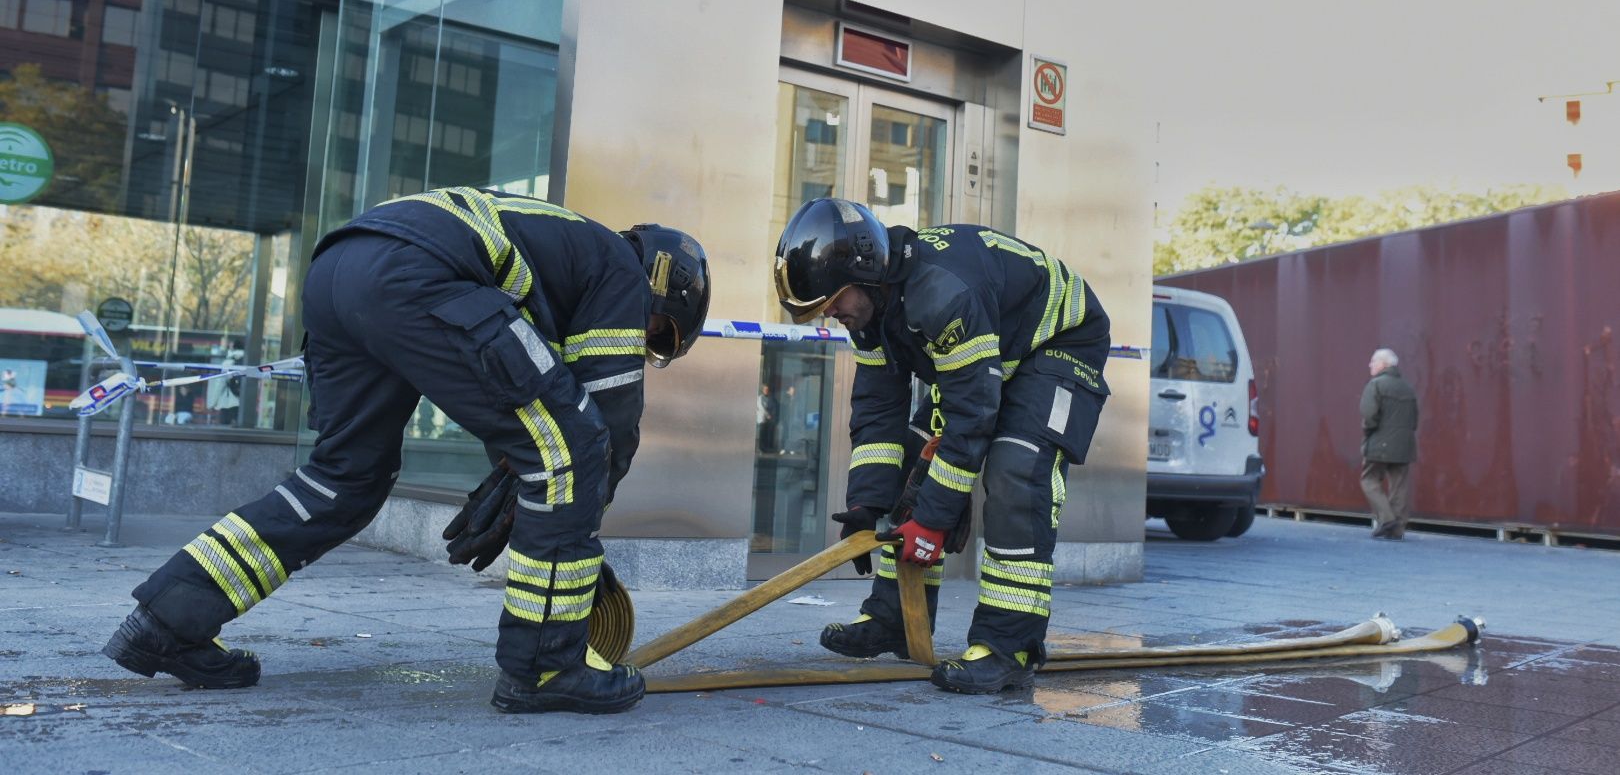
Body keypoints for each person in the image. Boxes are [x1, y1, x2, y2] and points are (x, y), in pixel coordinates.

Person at [103, 186, 711, 714]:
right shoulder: (621, 269)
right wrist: (572, 520)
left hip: (340, 268)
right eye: (656, 335)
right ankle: (547, 668)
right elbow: (608, 420)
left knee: (344, 478)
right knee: (573, 453)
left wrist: (542, 486)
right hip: (416, 271)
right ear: (665, 289)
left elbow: (525, 392)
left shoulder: (561, 241)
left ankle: (167, 622)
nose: (644, 342)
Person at [773, 197, 1110, 694]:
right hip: (995, 352)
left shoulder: (941, 295)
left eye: (832, 299)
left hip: (1058, 347)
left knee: (1017, 469)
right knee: (911, 463)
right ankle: (895, 619)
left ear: (865, 273)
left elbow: (972, 421)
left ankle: (1007, 646)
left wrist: (931, 522)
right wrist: (868, 504)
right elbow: (877, 412)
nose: (828, 313)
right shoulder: (871, 310)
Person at [1360, 347, 1419, 540]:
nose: (1370, 365)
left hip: (1380, 442)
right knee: (1399, 485)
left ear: (1383, 365)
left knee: (1369, 479)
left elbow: (1369, 415)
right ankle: (1397, 529)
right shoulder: (1408, 387)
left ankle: (1386, 519)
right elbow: (1415, 419)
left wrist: (1369, 433)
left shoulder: (1375, 385)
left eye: (1373, 361)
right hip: (1405, 445)